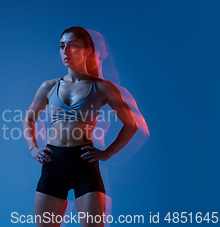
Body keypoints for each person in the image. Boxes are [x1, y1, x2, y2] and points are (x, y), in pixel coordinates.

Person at [23, 26, 139, 227]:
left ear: (87, 50)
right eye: (62, 46)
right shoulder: (49, 86)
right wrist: (33, 148)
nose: (65, 52)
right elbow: (28, 119)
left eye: (73, 46)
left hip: (84, 166)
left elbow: (131, 124)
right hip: (53, 165)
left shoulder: (102, 87)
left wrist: (107, 153)